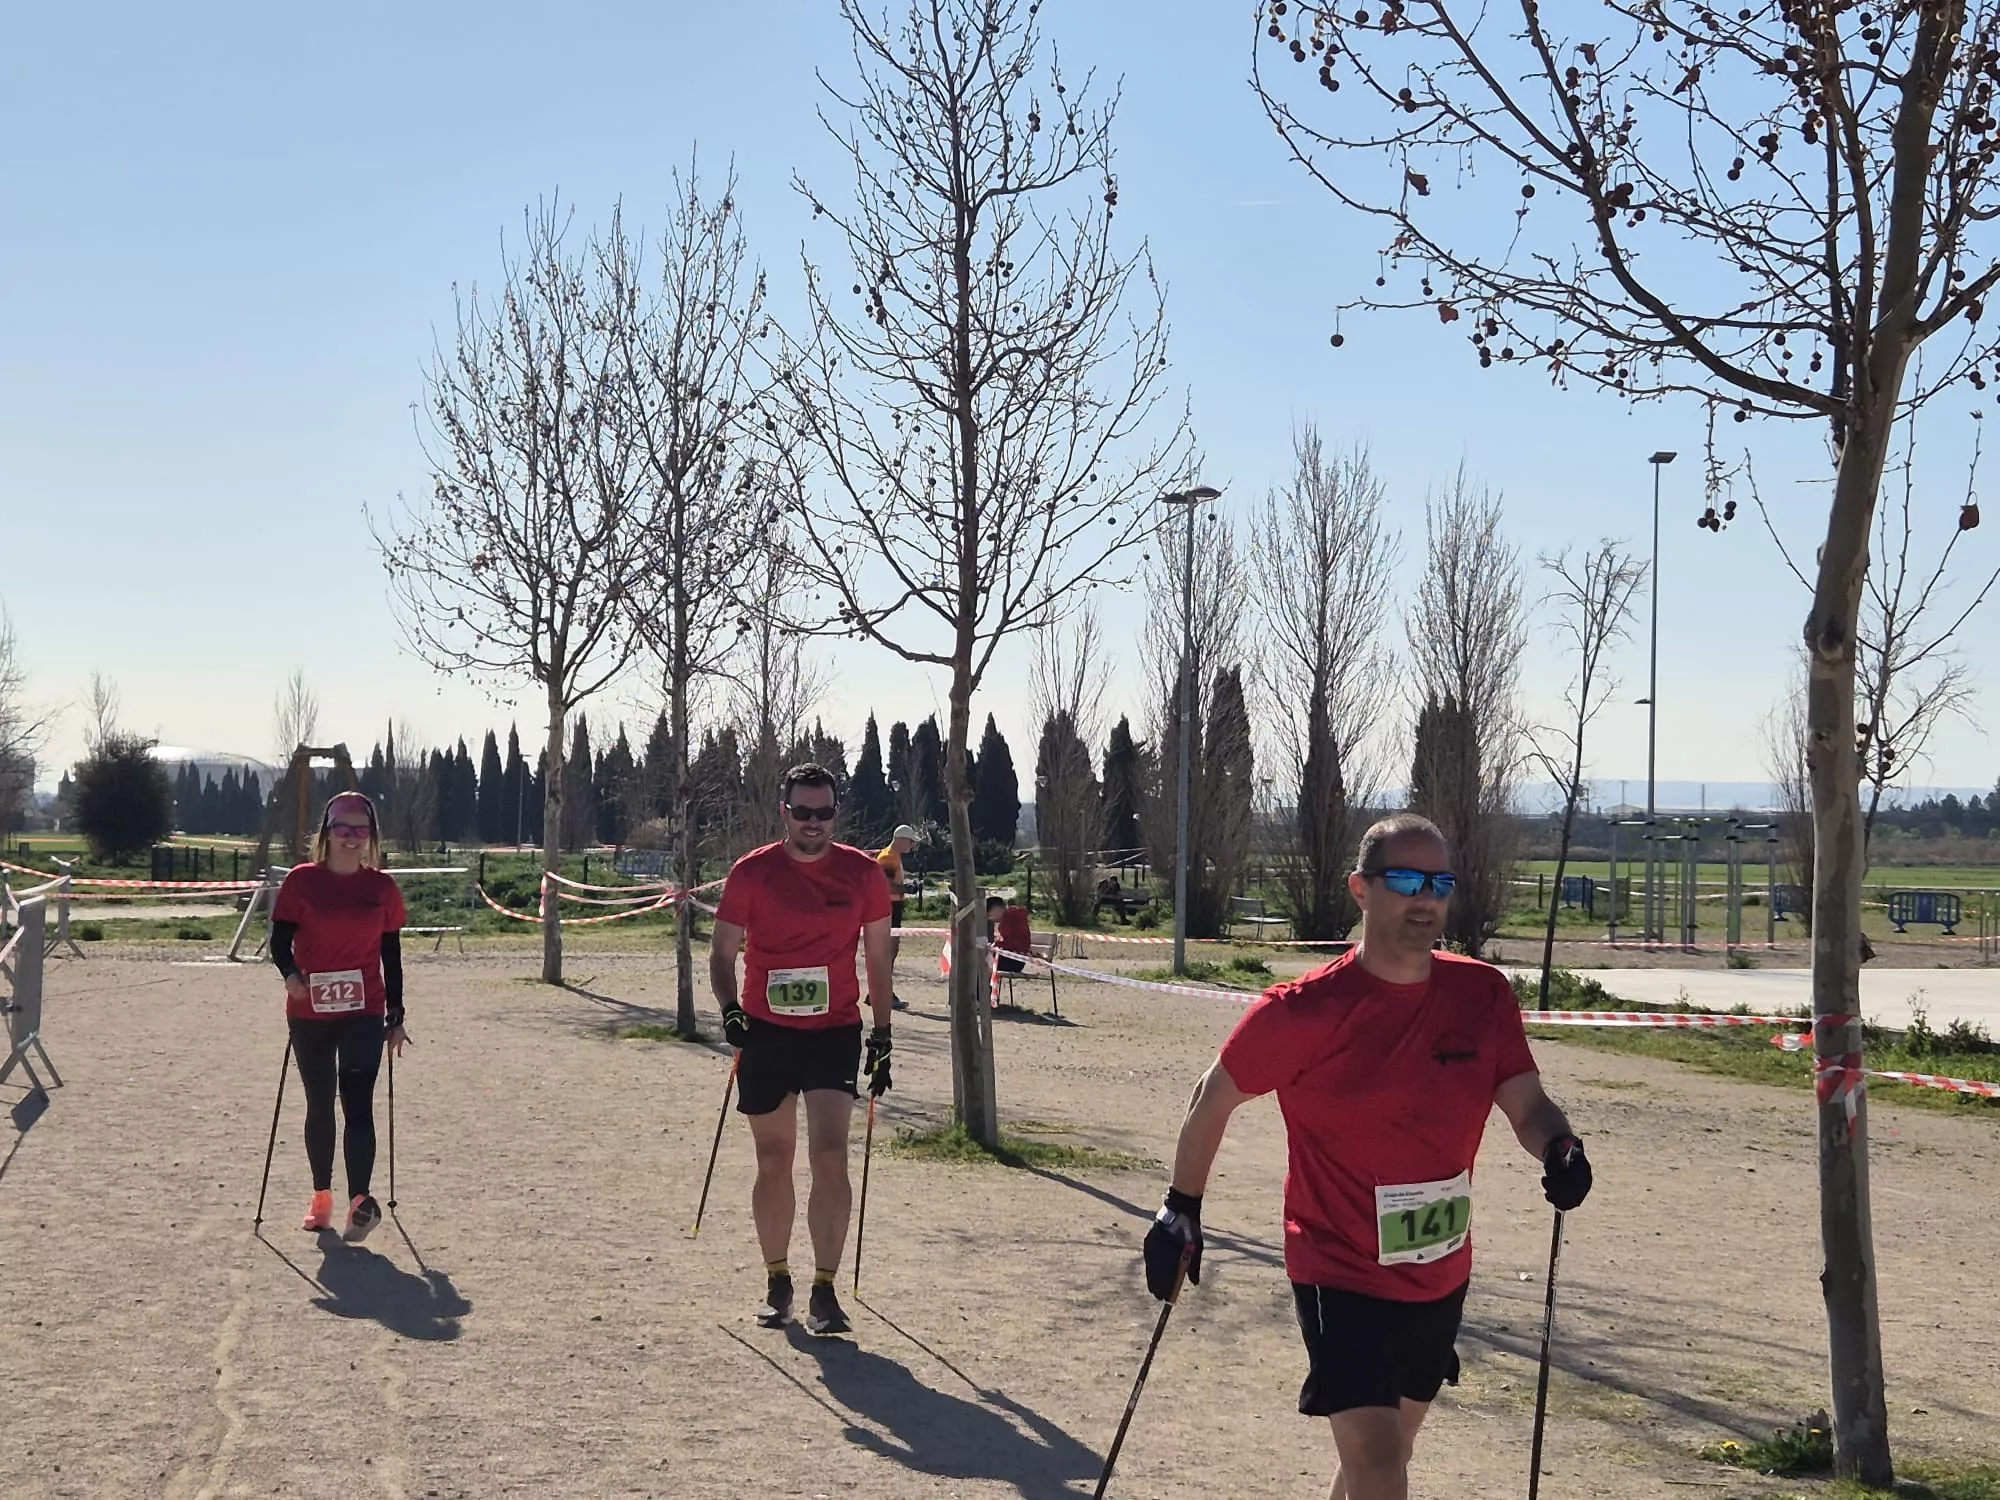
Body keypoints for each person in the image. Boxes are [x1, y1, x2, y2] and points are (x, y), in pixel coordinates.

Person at [1142, 813, 1593, 1500]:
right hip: (1339, 1267)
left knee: (1386, 1454)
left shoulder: (1481, 995)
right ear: (1361, 889)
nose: (1426, 899)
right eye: (1406, 881)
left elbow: (1526, 1104)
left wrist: (1560, 1148)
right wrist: (1181, 1209)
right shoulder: (1304, 1011)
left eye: (1440, 883)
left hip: (1440, 1268)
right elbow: (1212, 1097)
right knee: (1380, 1465)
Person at [712, 764, 895, 1337]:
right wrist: (730, 1009)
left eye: (824, 812)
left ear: (836, 813)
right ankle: (777, 1280)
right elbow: (722, 955)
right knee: (774, 1159)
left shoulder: (864, 874)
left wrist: (883, 1034)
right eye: (802, 812)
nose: (813, 823)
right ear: (784, 812)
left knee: (830, 1155)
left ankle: (825, 1290)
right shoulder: (751, 872)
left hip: (833, 1030)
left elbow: (878, 958)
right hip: (765, 1029)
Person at [270, 790, 410, 1243]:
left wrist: (396, 1015)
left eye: (361, 830)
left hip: (364, 1010)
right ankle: (321, 1197)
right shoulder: (301, 882)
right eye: (343, 828)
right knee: (319, 1102)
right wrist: (290, 974)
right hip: (310, 1010)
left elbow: (392, 955)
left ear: (371, 836)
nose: (352, 837)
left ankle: (359, 1202)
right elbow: (279, 942)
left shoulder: (381, 888)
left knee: (358, 1102)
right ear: (327, 833)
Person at [877, 823, 923, 1009]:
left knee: (889, 952)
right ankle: (883, 993)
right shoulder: (888, 857)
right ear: (902, 840)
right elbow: (886, 886)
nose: (912, 845)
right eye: (910, 842)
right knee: (888, 952)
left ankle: (878, 991)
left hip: (892, 907)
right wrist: (907, 888)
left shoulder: (893, 856)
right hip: (889, 907)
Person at [985, 895, 1039, 974]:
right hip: (1016, 959)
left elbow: (1013, 943)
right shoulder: (1011, 917)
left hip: (1013, 960)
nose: (990, 919)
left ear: (996, 909)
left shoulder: (1010, 918)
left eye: (989, 915)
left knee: (981, 961)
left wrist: (996, 945)